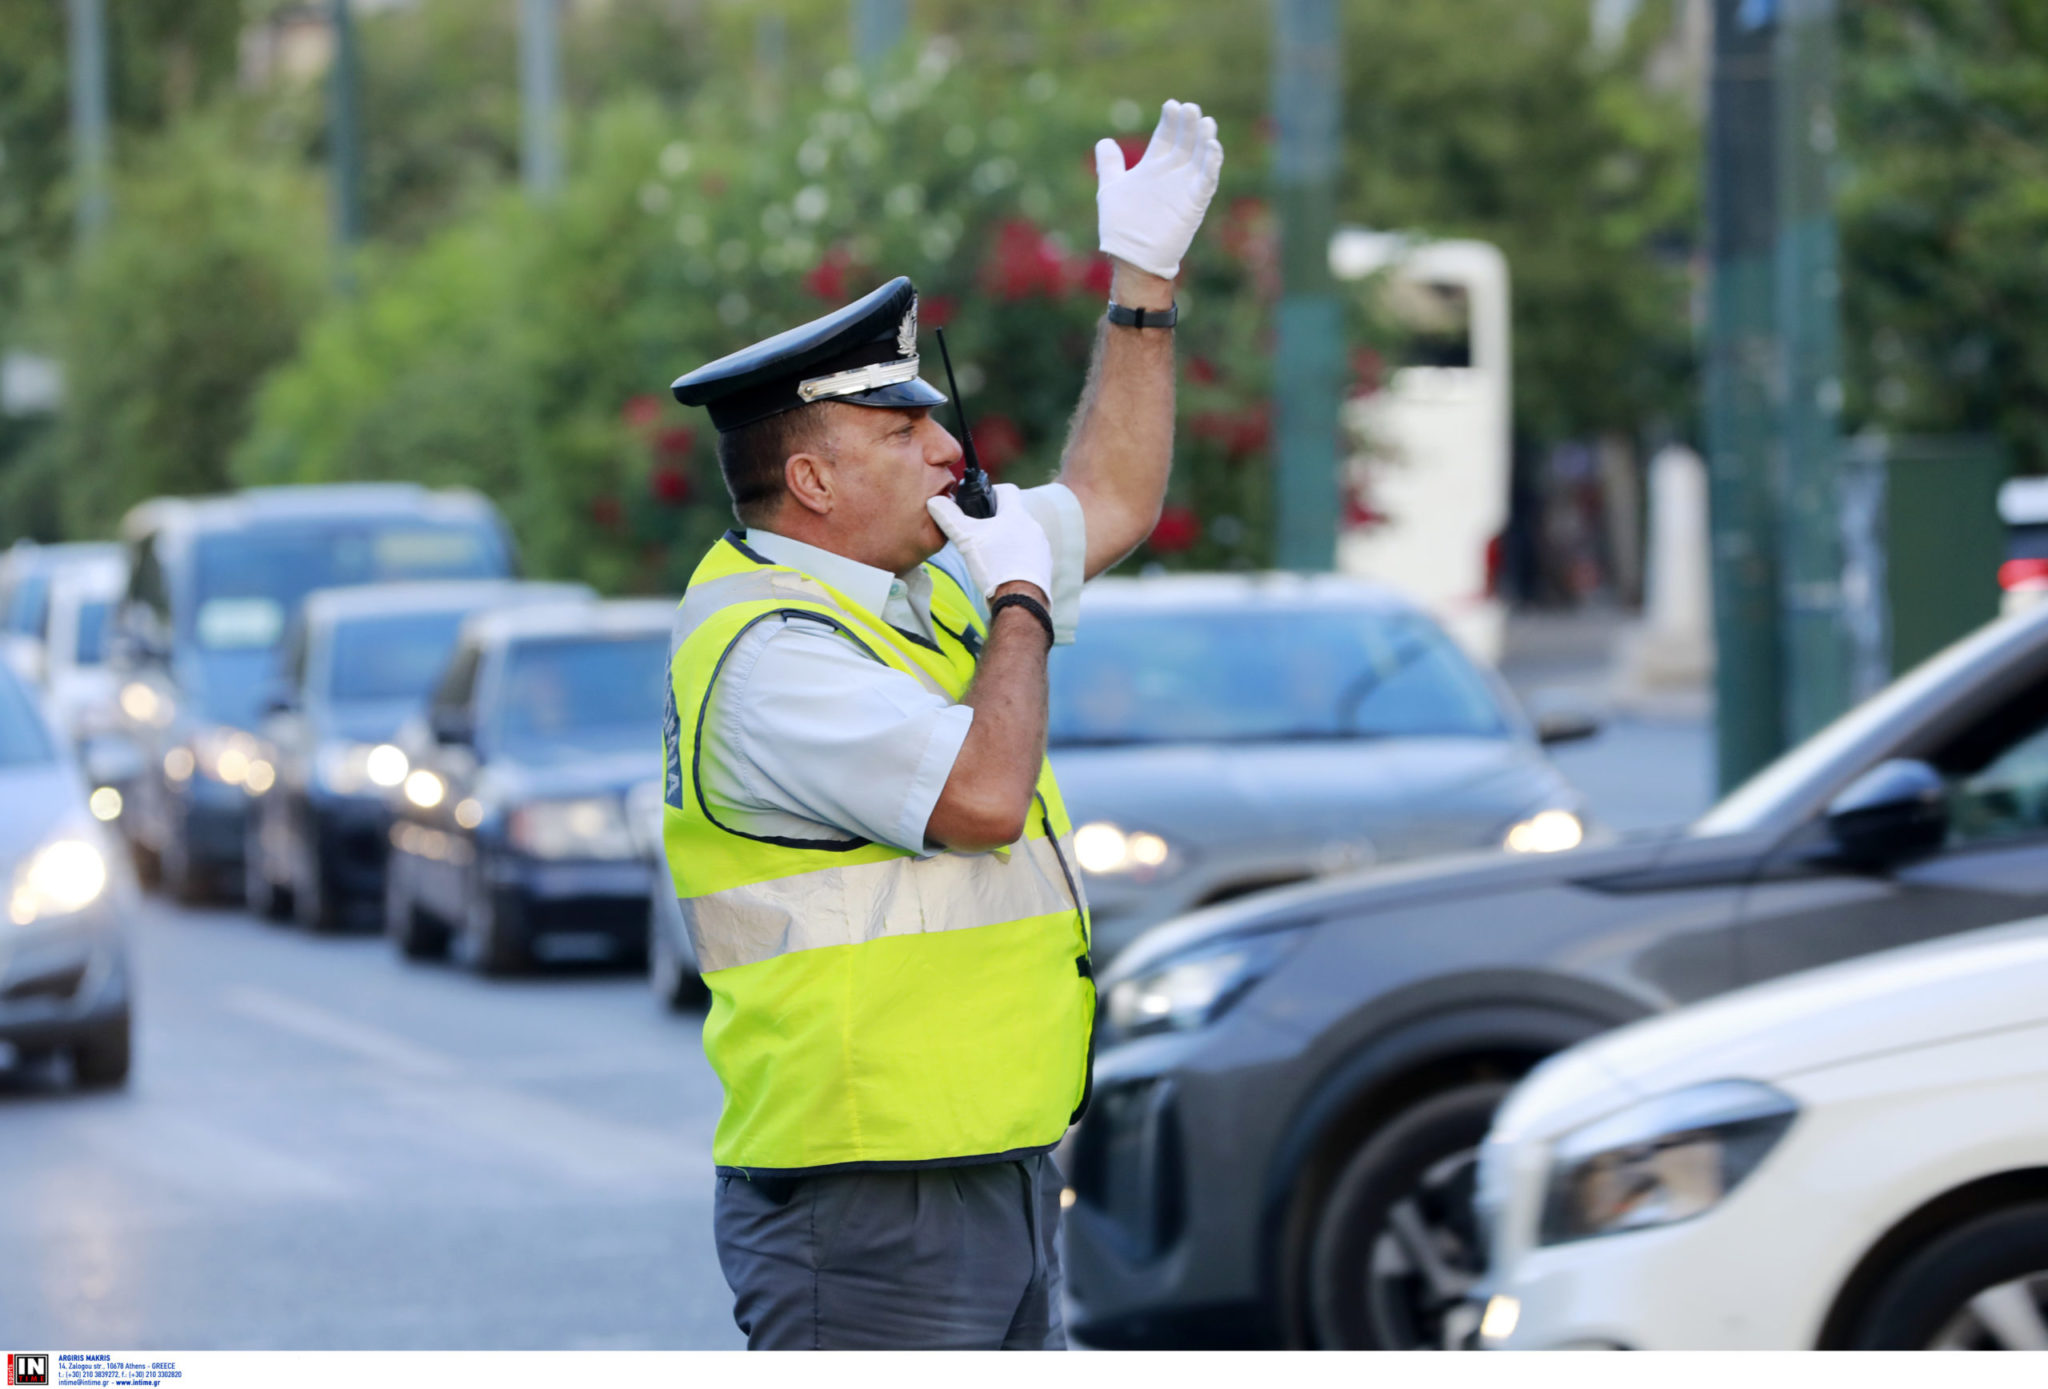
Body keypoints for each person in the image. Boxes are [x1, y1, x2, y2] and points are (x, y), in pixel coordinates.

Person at [661, 99, 1224, 1350]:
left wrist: (1143, 282)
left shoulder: (920, 584)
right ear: (810, 480)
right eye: (900, 427)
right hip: (867, 1204)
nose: (945, 446)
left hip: (991, 1166)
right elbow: (977, 801)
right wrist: (1019, 589)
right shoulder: (770, 652)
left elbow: (1115, 498)